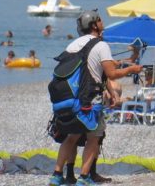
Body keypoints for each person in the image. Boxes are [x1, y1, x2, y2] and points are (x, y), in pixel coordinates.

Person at [49, 10, 142, 186]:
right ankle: (84, 178)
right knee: (94, 137)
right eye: (99, 20)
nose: (102, 22)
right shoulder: (101, 45)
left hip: (70, 99)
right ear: (94, 25)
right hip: (89, 101)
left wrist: (111, 91)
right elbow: (111, 73)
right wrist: (132, 69)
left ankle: (57, 175)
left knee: (72, 137)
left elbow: (93, 72)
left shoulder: (73, 45)